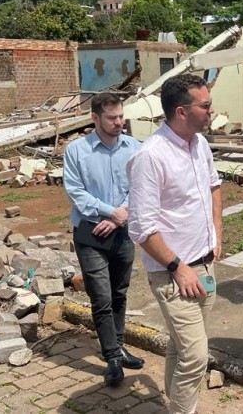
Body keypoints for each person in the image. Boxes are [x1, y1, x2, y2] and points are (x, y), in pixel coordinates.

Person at [127, 74, 222, 414]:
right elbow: (141, 228)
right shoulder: (151, 156)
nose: (212, 111)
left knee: (182, 348)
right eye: (206, 105)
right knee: (196, 357)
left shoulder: (200, 144)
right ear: (182, 112)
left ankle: (174, 404)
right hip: (174, 273)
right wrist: (177, 267)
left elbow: (213, 187)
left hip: (204, 264)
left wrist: (217, 234)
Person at [63, 92, 144, 387]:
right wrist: (111, 212)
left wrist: (120, 217)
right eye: (112, 118)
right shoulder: (76, 151)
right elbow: (75, 191)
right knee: (101, 296)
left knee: (119, 293)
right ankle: (111, 356)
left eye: (121, 116)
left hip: (123, 233)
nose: (119, 122)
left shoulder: (134, 148)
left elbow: (141, 188)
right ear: (95, 118)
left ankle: (119, 346)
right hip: (90, 233)